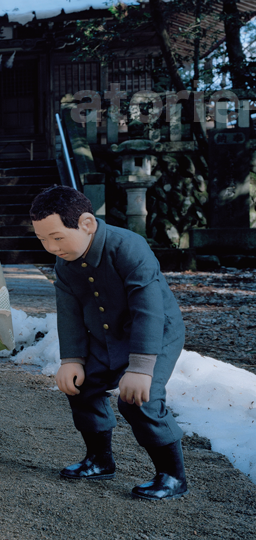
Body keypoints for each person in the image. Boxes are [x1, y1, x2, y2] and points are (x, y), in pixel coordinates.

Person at [31, 186, 188, 500]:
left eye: (58, 237)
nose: (51, 247)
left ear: (87, 223)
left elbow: (148, 310)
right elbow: (70, 313)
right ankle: (99, 460)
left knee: (138, 398)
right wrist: (71, 359)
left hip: (154, 333)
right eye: (42, 240)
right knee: (82, 385)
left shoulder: (129, 247)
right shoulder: (64, 262)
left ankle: (172, 475)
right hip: (104, 335)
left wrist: (141, 368)